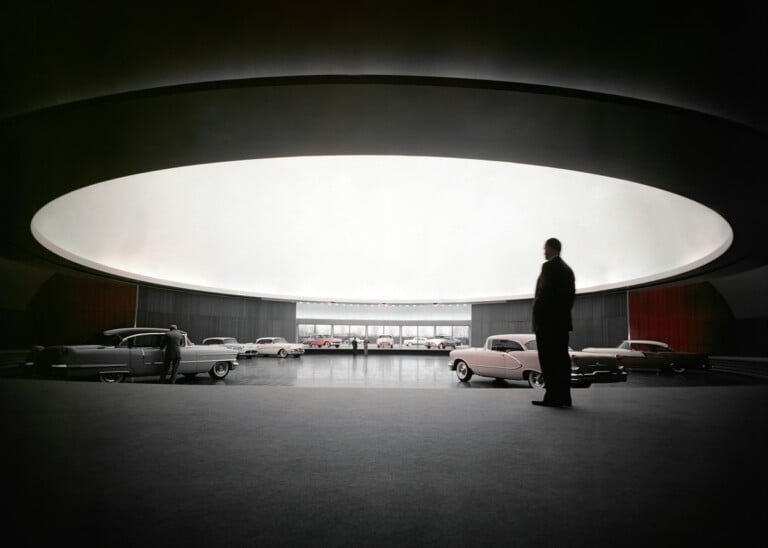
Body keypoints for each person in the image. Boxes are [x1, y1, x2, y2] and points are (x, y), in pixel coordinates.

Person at [531, 238, 576, 408]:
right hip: (562, 324)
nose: (544, 252)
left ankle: (552, 396)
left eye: (545, 249)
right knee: (562, 361)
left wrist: (538, 316)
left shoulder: (548, 267)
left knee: (548, 361)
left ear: (551, 248)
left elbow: (543, 295)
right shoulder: (568, 270)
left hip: (546, 324)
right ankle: (564, 396)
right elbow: (570, 298)